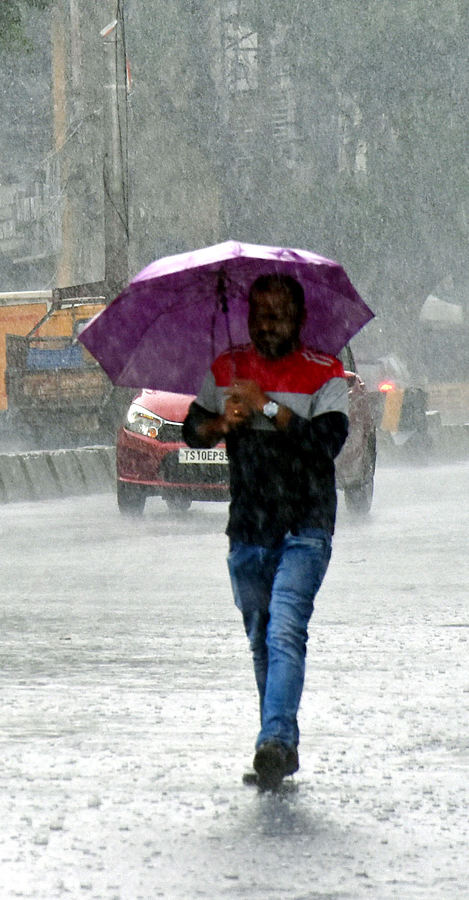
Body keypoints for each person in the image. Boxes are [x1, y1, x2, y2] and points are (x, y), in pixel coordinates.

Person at [183, 272, 349, 791]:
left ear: (299, 318)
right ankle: (277, 744)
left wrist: (270, 407)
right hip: (248, 530)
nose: (266, 325)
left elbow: (325, 444)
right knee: (261, 640)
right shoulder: (226, 369)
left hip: (306, 528)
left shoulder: (326, 374)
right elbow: (192, 428)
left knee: (284, 631)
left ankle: (275, 740)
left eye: (277, 314)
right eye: (258, 315)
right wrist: (222, 423)